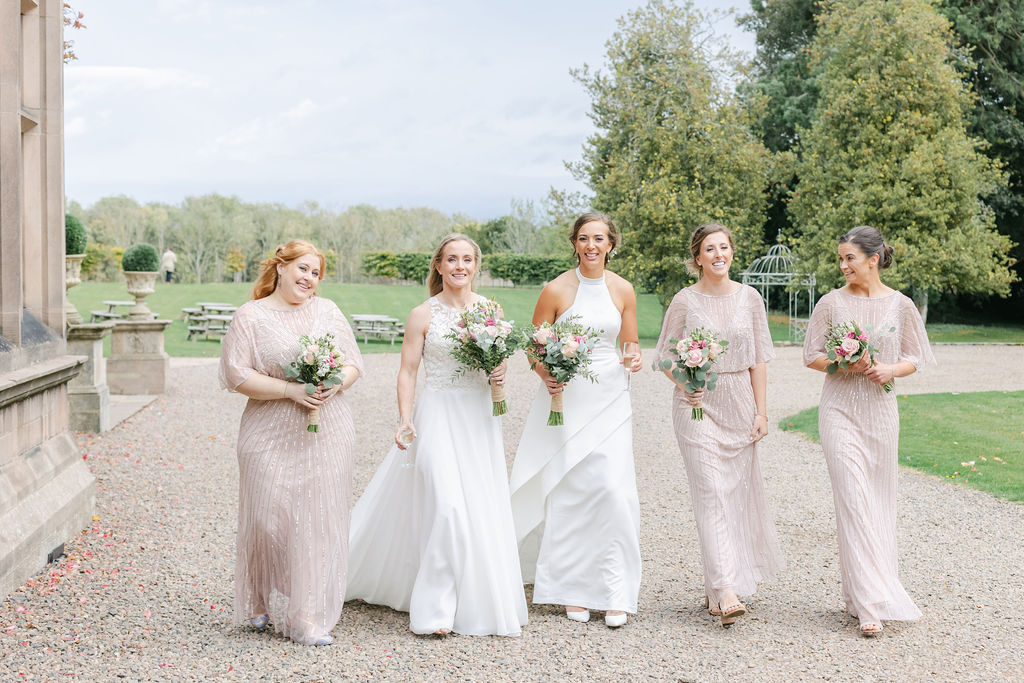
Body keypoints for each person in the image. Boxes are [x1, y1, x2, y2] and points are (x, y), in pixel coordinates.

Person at [346, 234, 527, 637]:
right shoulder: (421, 314)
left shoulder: (491, 310)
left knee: (478, 506)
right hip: (438, 415)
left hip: (479, 419)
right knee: (448, 507)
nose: (460, 266)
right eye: (452, 260)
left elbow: (495, 363)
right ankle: (435, 609)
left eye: (467, 259)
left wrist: (499, 373)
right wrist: (404, 418)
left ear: (475, 266)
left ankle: (473, 599)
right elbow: (408, 371)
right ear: (439, 266)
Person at [218, 240, 363, 646]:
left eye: (315, 273)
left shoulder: (327, 311)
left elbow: (353, 363)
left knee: (317, 521)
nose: (308, 279)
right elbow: (235, 374)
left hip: (328, 427)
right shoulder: (251, 316)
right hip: (268, 429)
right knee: (268, 519)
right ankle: (259, 598)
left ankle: (304, 615)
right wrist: (289, 390)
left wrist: (332, 385)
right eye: (302, 268)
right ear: (279, 268)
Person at [509, 211, 642, 628]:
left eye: (599, 238)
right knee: (570, 490)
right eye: (584, 238)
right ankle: (569, 588)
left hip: (611, 397)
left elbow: (630, 342)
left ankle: (616, 591)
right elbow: (533, 348)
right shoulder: (556, 289)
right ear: (574, 243)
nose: (591, 246)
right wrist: (545, 373)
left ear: (611, 244)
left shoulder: (623, 289)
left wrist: (633, 356)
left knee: (613, 492)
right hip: (567, 399)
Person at [803, 225, 935, 637]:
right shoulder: (831, 303)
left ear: (873, 259)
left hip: (881, 410)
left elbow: (917, 356)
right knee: (853, 499)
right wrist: (844, 364)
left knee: (878, 501)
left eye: (850, 259)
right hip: (839, 408)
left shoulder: (901, 305)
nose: (843, 266)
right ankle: (869, 605)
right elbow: (811, 355)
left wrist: (888, 369)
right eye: (840, 259)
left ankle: (859, 591)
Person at [655, 223, 784, 628]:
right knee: (710, 490)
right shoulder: (684, 300)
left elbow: (758, 358)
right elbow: (663, 356)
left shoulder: (751, 298)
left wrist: (761, 413)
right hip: (696, 405)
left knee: (733, 495)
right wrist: (685, 381)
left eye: (723, 247)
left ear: (732, 252)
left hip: (739, 404)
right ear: (697, 257)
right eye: (709, 249)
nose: (717, 255)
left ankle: (716, 587)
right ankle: (726, 589)